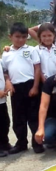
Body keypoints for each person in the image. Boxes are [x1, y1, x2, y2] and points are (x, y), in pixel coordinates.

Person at [2, 22, 43, 154]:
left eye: (24, 37)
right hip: (16, 89)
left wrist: (36, 86)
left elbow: (37, 68)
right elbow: (5, 71)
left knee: (33, 116)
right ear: (10, 37)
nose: (20, 39)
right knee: (18, 117)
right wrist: (8, 82)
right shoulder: (6, 54)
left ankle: (37, 143)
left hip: (30, 85)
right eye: (17, 37)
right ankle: (21, 143)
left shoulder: (31, 50)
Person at [0, 58, 11, 157]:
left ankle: (4, 143)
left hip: (2, 100)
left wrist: (7, 80)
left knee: (5, 122)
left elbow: (4, 72)